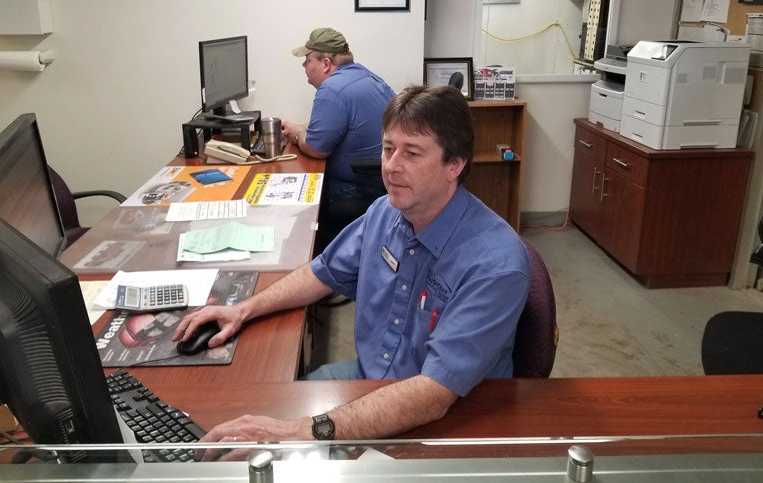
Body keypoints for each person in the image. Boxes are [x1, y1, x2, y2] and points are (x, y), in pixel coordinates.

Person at [174, 85, 530, 454]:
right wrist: (241, 309)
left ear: (454, 165)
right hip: (369, 379)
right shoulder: (385, 212)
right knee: (243, 420)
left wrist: (300, 433)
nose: (391, 166)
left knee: (280, 447)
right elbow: (321, 272)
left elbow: (433, 394)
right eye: (388, 148)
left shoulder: (495, 265)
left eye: (412, 153)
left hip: (446, 415)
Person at [281, 27, 396, 252]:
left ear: (325, 63)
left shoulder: (331, 89)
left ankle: (321, 266)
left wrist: (296, 134)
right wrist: (301, 127)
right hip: (385, 181)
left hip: (361, 187)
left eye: (307, 60)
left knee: (301, 206)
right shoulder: (364, 75)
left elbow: (316, 148)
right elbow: (337, 126)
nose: (304, 66)